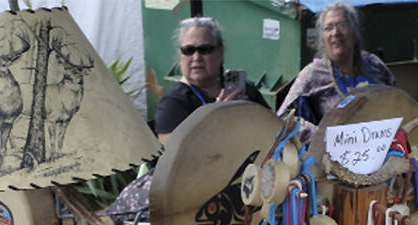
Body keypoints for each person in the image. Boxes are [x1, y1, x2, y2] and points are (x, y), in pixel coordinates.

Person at [278, 2, 396, 141]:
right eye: (328, 28)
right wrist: (322, 135)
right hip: (332, 156)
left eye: (342, 25)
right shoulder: (313, 73)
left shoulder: (374, 65)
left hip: (379, 149)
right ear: (322, 38)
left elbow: (399, 102)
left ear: (354, 31)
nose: (335, 33)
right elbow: (283, 118)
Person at [153, 16, 269, 143]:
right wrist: (217, 117)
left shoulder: (244, 91)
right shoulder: (174, 101)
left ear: (221, 53)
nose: (196, 57)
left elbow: (275, 131)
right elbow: (171, 152)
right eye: (188, 50)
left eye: (205, 50)